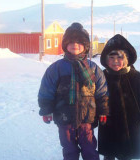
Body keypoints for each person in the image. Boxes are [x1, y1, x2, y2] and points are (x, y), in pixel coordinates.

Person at [38, 22, 109, 160]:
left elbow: (102, 91)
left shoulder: (93, 68)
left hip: (87, 118)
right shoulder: (56, 68)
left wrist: (104, 110)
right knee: (69, 150)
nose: (74, 44)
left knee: (89, 148)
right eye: (71, 41)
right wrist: (46, 110)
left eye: (79, 42)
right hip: (64, 118)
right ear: (65, 45)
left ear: (86, 46)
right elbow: (46, 90)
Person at [98, 34, 140, 160]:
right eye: (111, 58)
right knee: (109, 153)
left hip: (129, 123)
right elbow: (95, 98)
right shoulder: (102, 76)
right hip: (108, 123)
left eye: (120, 57)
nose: (115, 61)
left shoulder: (136, 77)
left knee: (126, 153)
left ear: (127, 59)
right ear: (106, 60)